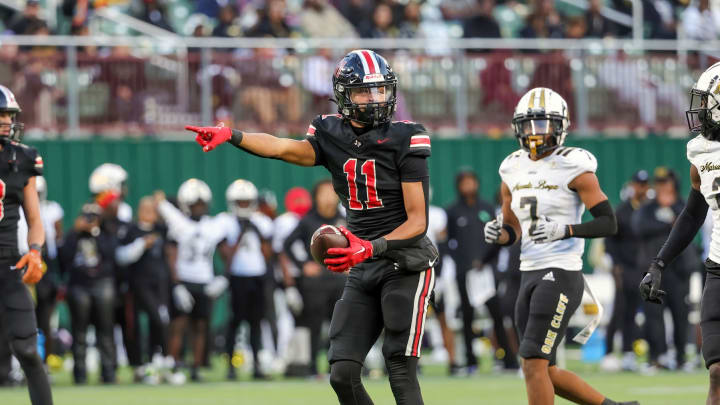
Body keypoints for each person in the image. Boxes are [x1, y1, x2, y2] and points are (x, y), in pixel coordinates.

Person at [186, 49, 438, 405]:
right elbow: (281, 147)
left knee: (398, 364)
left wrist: (371, 246)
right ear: (343, 94)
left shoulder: (406, 137)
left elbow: (418, 221)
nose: (375, 98)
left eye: (380, 89)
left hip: (405, 262)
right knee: (342, 372)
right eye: (365, 91)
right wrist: (232, 135)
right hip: (363, 262)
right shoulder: (330, 132)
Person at [484, 87, 636, 405]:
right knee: (542, 368)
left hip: (561, 272)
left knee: (532, 361)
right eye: (529, 125)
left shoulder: (574, 165)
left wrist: (564, 229)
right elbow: (513, 229)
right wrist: (499, 233)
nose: (535, 132)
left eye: (543, 124)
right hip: (528, 272)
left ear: (560, 126)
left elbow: (609, 222)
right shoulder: (511, 167)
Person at [638, 61, 720, 404]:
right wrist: (659, 263)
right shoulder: (702, 151)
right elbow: (692, 213)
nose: (700, 110)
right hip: (718, 267)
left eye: (706, 102)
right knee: (717, 371)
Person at [0, 84, 52, 404]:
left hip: (7, 262)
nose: (6, 121)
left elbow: (34, 219)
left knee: (28, 350)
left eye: (9, 114)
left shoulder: (22, 158)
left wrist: (35, 251)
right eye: (0, 115)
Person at [155, 179, 229, 383]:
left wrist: (223, 277)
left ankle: (196, 367)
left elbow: (226, 253)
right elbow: (171, 254)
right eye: (195, 204)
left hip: (204, 281)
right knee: (178, 325)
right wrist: (177, 284)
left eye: (201, 204)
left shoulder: (213, 225)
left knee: (201, 326)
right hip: (184, 280)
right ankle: (173, 364)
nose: (199, 208)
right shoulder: (180, 224)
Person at [446, 169, 517, 372]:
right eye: (464, 182)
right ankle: (470, 361)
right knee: (467, 316)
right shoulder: (452, 211)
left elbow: (498, 240)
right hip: (464, 273)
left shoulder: (486, 208)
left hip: (487, 272)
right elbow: (450, 243)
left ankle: (507, 359)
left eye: (471, 182)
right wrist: (465, 264)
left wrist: (484, 262)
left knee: (496, 315)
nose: (468, 186)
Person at [633, 168, 697, 370]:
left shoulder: (682, 206)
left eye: (666, 182)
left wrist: (672, 219)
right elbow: (639, 227)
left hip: (678, 271)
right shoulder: (648, 207)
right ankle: (657, 358)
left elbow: (689, 226)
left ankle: (680, 357)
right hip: (654, 271)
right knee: (654, 317)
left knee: (680, 315)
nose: (662, 186)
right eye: (659, 182)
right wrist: (667, 224)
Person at [283, 179, 347, 377]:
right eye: (323, 193)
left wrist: (351, 264)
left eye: (332, 192)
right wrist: (304, 266)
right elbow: (287, 245)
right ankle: (311, 367)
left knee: (339, 325)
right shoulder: (308, 221)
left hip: (339, 279)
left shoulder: (344, 219)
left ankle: (334, 366)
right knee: (314, 325)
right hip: (315, 283)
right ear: (316, 197)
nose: (328, 197)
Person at [220, 179, 273, 380]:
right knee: (234, 322)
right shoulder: (225, 221)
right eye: (239, 202)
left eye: (246, 201)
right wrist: (241, 233)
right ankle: (231, 366)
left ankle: (257, 365)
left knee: (256, 322)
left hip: (257, 276)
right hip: (237, 276)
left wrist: (256, 233)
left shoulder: (261, 222)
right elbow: (225, 254)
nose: (243, 205)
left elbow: (267, 253)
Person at [116, 196, 170, 376]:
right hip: (138, 285)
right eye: (145, 210)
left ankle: (158, 356)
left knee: (160, 320)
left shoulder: (161, 229)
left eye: (152, 210)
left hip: (160, 284)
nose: (148, 214)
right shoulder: (131, 230)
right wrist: (141, 245)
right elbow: (121, 256)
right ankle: (139, 363)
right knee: (139, 325)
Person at [603, 170, 649, 372]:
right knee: (620, 310)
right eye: (639, 184)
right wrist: (616, 266)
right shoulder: (622, 211)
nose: (642, 188)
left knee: (634, 311)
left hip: (642, 267)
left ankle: (629, 352)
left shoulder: (648, 209)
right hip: (625, 268)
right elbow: (610, 240)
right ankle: (609, 352)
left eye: (644, 184)